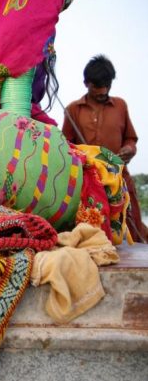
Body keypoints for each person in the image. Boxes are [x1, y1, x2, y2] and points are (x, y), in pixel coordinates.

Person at [62, 55, 147, 243]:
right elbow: (65, 147)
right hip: (89, 184)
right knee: (94, 235)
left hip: (121, 178)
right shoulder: (72, 110)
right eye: (97, 86)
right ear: (86, 83)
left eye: (107, 85)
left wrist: (129, 149)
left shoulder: (120, 106)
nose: (104, 91)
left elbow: (131, 139)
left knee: (134, 231)